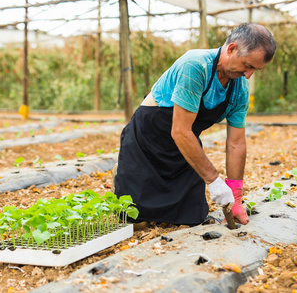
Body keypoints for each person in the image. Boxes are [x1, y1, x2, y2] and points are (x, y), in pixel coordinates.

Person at [114, 23, 277, 227]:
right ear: (232, 48)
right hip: (148, 138)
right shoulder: (196, 65)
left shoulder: (239, 88)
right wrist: (214, 180)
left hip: (184, 144)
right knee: (135, 218)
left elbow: (236, 144)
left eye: (256, 69)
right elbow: (180, 130)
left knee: (192, 217)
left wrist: (235, 198)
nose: (248, 75)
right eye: (248, 65)